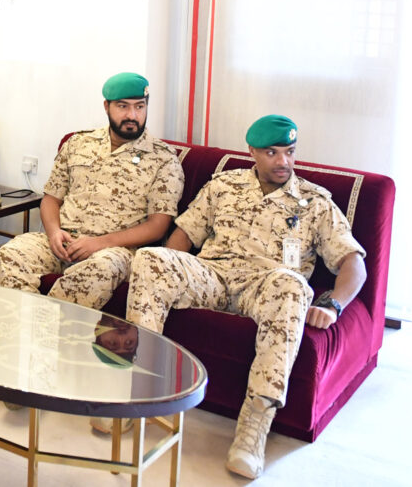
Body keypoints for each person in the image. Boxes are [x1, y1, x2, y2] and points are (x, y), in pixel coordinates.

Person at [126, 115, 367, 480]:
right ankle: (138, 390)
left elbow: (353, 263)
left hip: (268, 286)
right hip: (214, 276)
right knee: (150, 258)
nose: (283, 161)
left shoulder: (314, 202)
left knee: (292, 285)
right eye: (272, 152)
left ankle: (253, 429)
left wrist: (333, 305)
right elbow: (185, 235)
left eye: (290, 151)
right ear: (252, 151)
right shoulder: (224, 185)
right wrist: (170, 271)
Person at [0, 71, 184, 310]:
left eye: (139, 106)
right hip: (63, 241)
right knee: (9, 253)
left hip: (115, 252)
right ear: (106, 107)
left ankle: (46, 326)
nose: (132, 115)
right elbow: (51, 199)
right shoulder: (78, 143)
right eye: (123, 106)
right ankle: (22, 322)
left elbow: (158, 226)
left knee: (101, 269)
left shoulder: (163, 159)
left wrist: (99, 243)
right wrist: (54, 233)